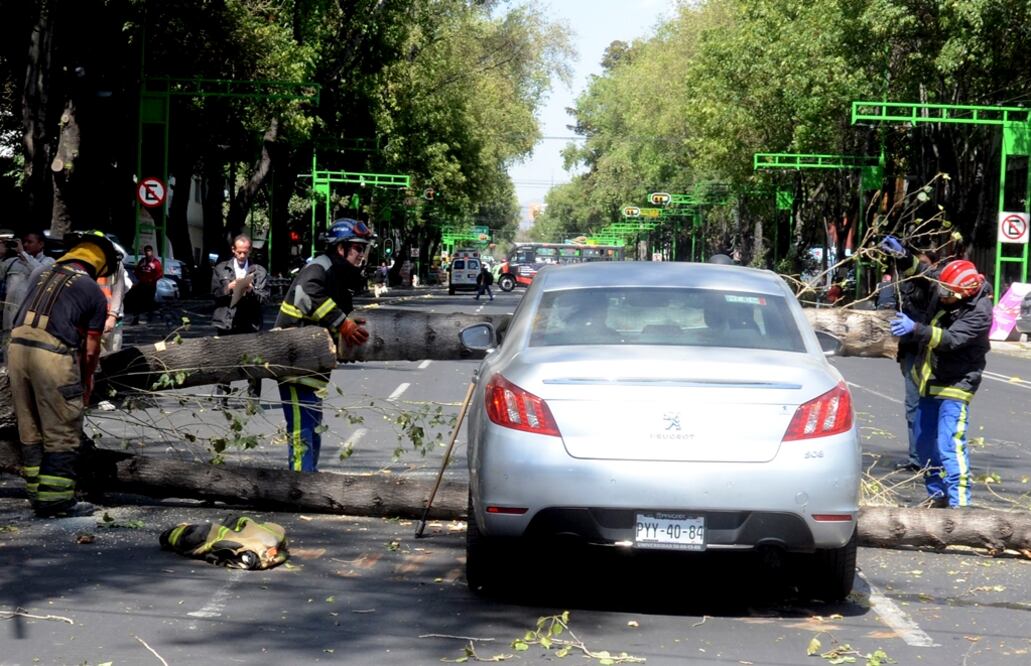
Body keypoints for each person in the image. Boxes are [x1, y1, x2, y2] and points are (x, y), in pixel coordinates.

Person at [7, 230, 119, 518]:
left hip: (17, 348)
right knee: (61, 429)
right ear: (99, 264)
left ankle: (37, 493)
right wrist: (85, 381)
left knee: (30, 428)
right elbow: (92, 349)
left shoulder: (41, 273)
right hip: (52, 356)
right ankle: (56, 501)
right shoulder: (92, 290)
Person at [884, 236, 992, 509]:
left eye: (946, 293)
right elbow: (921, 272)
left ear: (963, 293)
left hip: (957, 383)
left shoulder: (980, 312)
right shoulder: (945, 281)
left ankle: (960, 506)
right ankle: (937, 495)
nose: (940, 295)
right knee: (923, 444)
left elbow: (950, 340)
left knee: (949, 444)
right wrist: (902, 256)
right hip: (929, 380)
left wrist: (915, 329)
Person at [275, 218, 372, 472]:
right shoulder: (319, 268)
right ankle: (299, 484)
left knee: (313, 424)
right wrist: (343, 323)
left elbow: (328, 313)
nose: (361, 254)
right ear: (340, 247)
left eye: (363, 249)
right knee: (302, 428)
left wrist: (346, 324)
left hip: (313, 366)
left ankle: (309, 477)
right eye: (357, 248)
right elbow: (307, 294)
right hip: (294, 362)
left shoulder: (338, 275)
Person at [883, 238, 940, 471]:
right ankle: (917, 459)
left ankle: (933, 460)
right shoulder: (904, 283)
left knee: (932, 407)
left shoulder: (936, 284)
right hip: (910, 351)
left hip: (932, 353)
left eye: (922, 263)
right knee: (912, 406)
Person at [211, 234, 270, 399]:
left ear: (250, 251)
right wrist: (228, 288)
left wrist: (251, 290)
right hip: (227, 323)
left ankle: (253, 399)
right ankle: (221, 397)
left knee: (253, 361)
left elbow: (265, 297)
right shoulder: (221, 269)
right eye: (239, 252)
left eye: (245, 252)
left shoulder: (259, 271)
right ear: (233, 251)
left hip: (250, 323)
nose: (242, 256)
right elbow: (214, 293)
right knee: (225, 361)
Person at [1, 231, 56, 337]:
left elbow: (41, 274)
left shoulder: (49, 261)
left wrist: (23, 254)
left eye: (29, 242)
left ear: (41, 244)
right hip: (8, 318)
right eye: (24, 242)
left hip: (31, 319)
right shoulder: (12, 262)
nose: (25, 245)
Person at [129, 244, 163, 325]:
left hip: (151, 285)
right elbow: (137, 271)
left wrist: (152, 280)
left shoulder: (156, 262)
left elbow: (160, 274)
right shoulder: (142, 262)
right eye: (146, 251)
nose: (148, 253)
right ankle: (135, 319)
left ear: (152, 252)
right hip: (142, 285)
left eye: (149, 251)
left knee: (150, 302)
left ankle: (150, 319)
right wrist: (139, 278)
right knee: (137, 302)